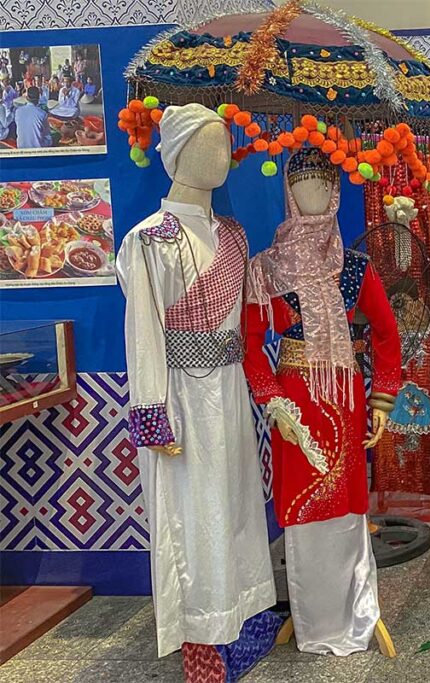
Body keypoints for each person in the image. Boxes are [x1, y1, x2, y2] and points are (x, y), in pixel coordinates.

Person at [116, 103, 280, 680]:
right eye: (210, 143)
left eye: (224, 141)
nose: (222, 154)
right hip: (183, 401)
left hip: (231, 393)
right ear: (177, 152)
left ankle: (250, 623)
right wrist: (153, 415)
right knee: (198, 517)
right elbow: (143, 336)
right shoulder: (147, 242)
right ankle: (207, 640)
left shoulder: (233, 234)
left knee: (236, 508)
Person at [243, 148, 402, 656]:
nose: (312, 195)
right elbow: (249, 350)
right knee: (302, 504)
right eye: (301, 184)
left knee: (349, 502)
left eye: (321, 184)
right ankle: (313, 617)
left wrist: (382, 400)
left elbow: (386, 333)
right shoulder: (265, 269)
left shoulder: (354, 267)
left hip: (346, 398)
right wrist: (273, 402)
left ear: (336, 193)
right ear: (288, 194)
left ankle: (356, 611)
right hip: (294, 405)